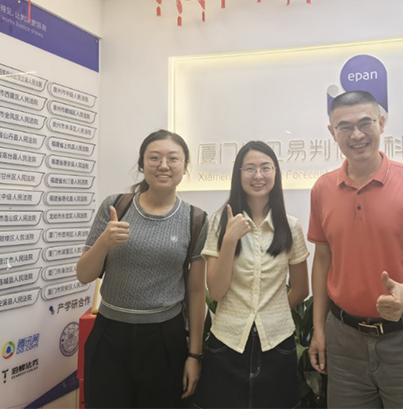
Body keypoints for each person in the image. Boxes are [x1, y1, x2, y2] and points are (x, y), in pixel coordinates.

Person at [308, 90, 403, 408]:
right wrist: (318, 329)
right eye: (345, 126)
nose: (356, 134)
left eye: (365, 123)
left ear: (381, 123)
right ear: (332, 132)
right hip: (344, 340)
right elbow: (323, 259)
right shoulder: (322, 189)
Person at [76, 129, 207, 408]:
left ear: (185, 166)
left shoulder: (195, 219)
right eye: (154, 157)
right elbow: (84, 275)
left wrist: (194, 355)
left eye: (173, 158)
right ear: (141, 164)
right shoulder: (115, 206)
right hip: (110, 335)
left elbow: (197, 292)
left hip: (165, 338)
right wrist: (104, 241)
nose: (163, 165)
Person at [193, 141, 309, 409]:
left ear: (275, 172)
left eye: (266, 168)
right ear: (239, 174)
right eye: (250, 168)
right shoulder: (220, 221)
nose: (258, 175)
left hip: (277, 344)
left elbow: (302, 289)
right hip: (227, 343)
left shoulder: (290, 226)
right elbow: (216, 292)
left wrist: (269, 312)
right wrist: (230, 240)